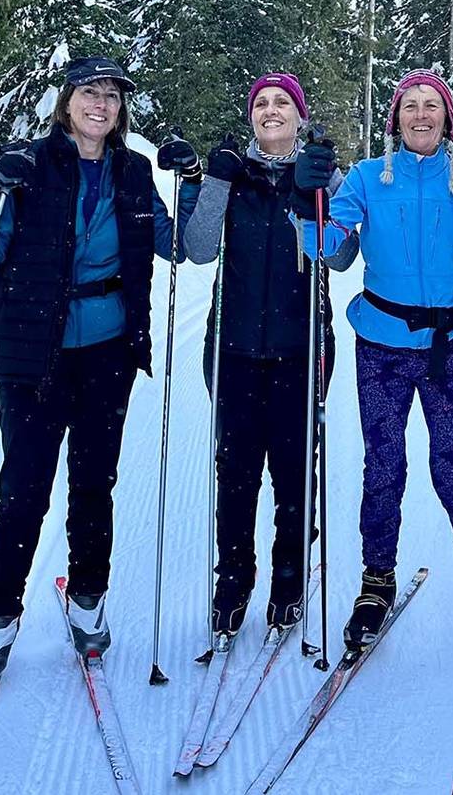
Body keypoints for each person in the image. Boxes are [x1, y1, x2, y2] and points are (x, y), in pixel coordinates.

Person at [0, 56, 200, 676]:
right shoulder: (29, 165)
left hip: (109, 351)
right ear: (67, 101)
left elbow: (173, 244)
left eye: (113, 97)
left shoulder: (132, 170)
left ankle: (88, 599)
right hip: (34, 353)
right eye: (90, 92)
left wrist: (192, 179)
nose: (102, 105)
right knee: (25, 489)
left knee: (95, 484)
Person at [294, 70, 453, 649]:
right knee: (384, 465)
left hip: (452, 347)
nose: (421, 115)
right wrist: (304, 198)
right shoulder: (368, 178)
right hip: (384, 346)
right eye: (410, 106)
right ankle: (376, 579)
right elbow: (322, 244)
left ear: (447, 118)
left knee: (452, 466)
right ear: (395, 119)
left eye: (432, 106)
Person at [182, 73, 358, 638]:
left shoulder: (321, 175)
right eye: (262, 102)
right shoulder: (235, 175)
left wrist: (322, 187)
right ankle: (233, 579)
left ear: (300, 115)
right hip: (232, 349)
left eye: (283, 102)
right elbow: (199, 248)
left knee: (291, 472)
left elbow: (346, 252)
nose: (272, 110)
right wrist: (214, 182)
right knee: (234, 472)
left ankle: (288, 577)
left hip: (300, 349)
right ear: (252, 115)